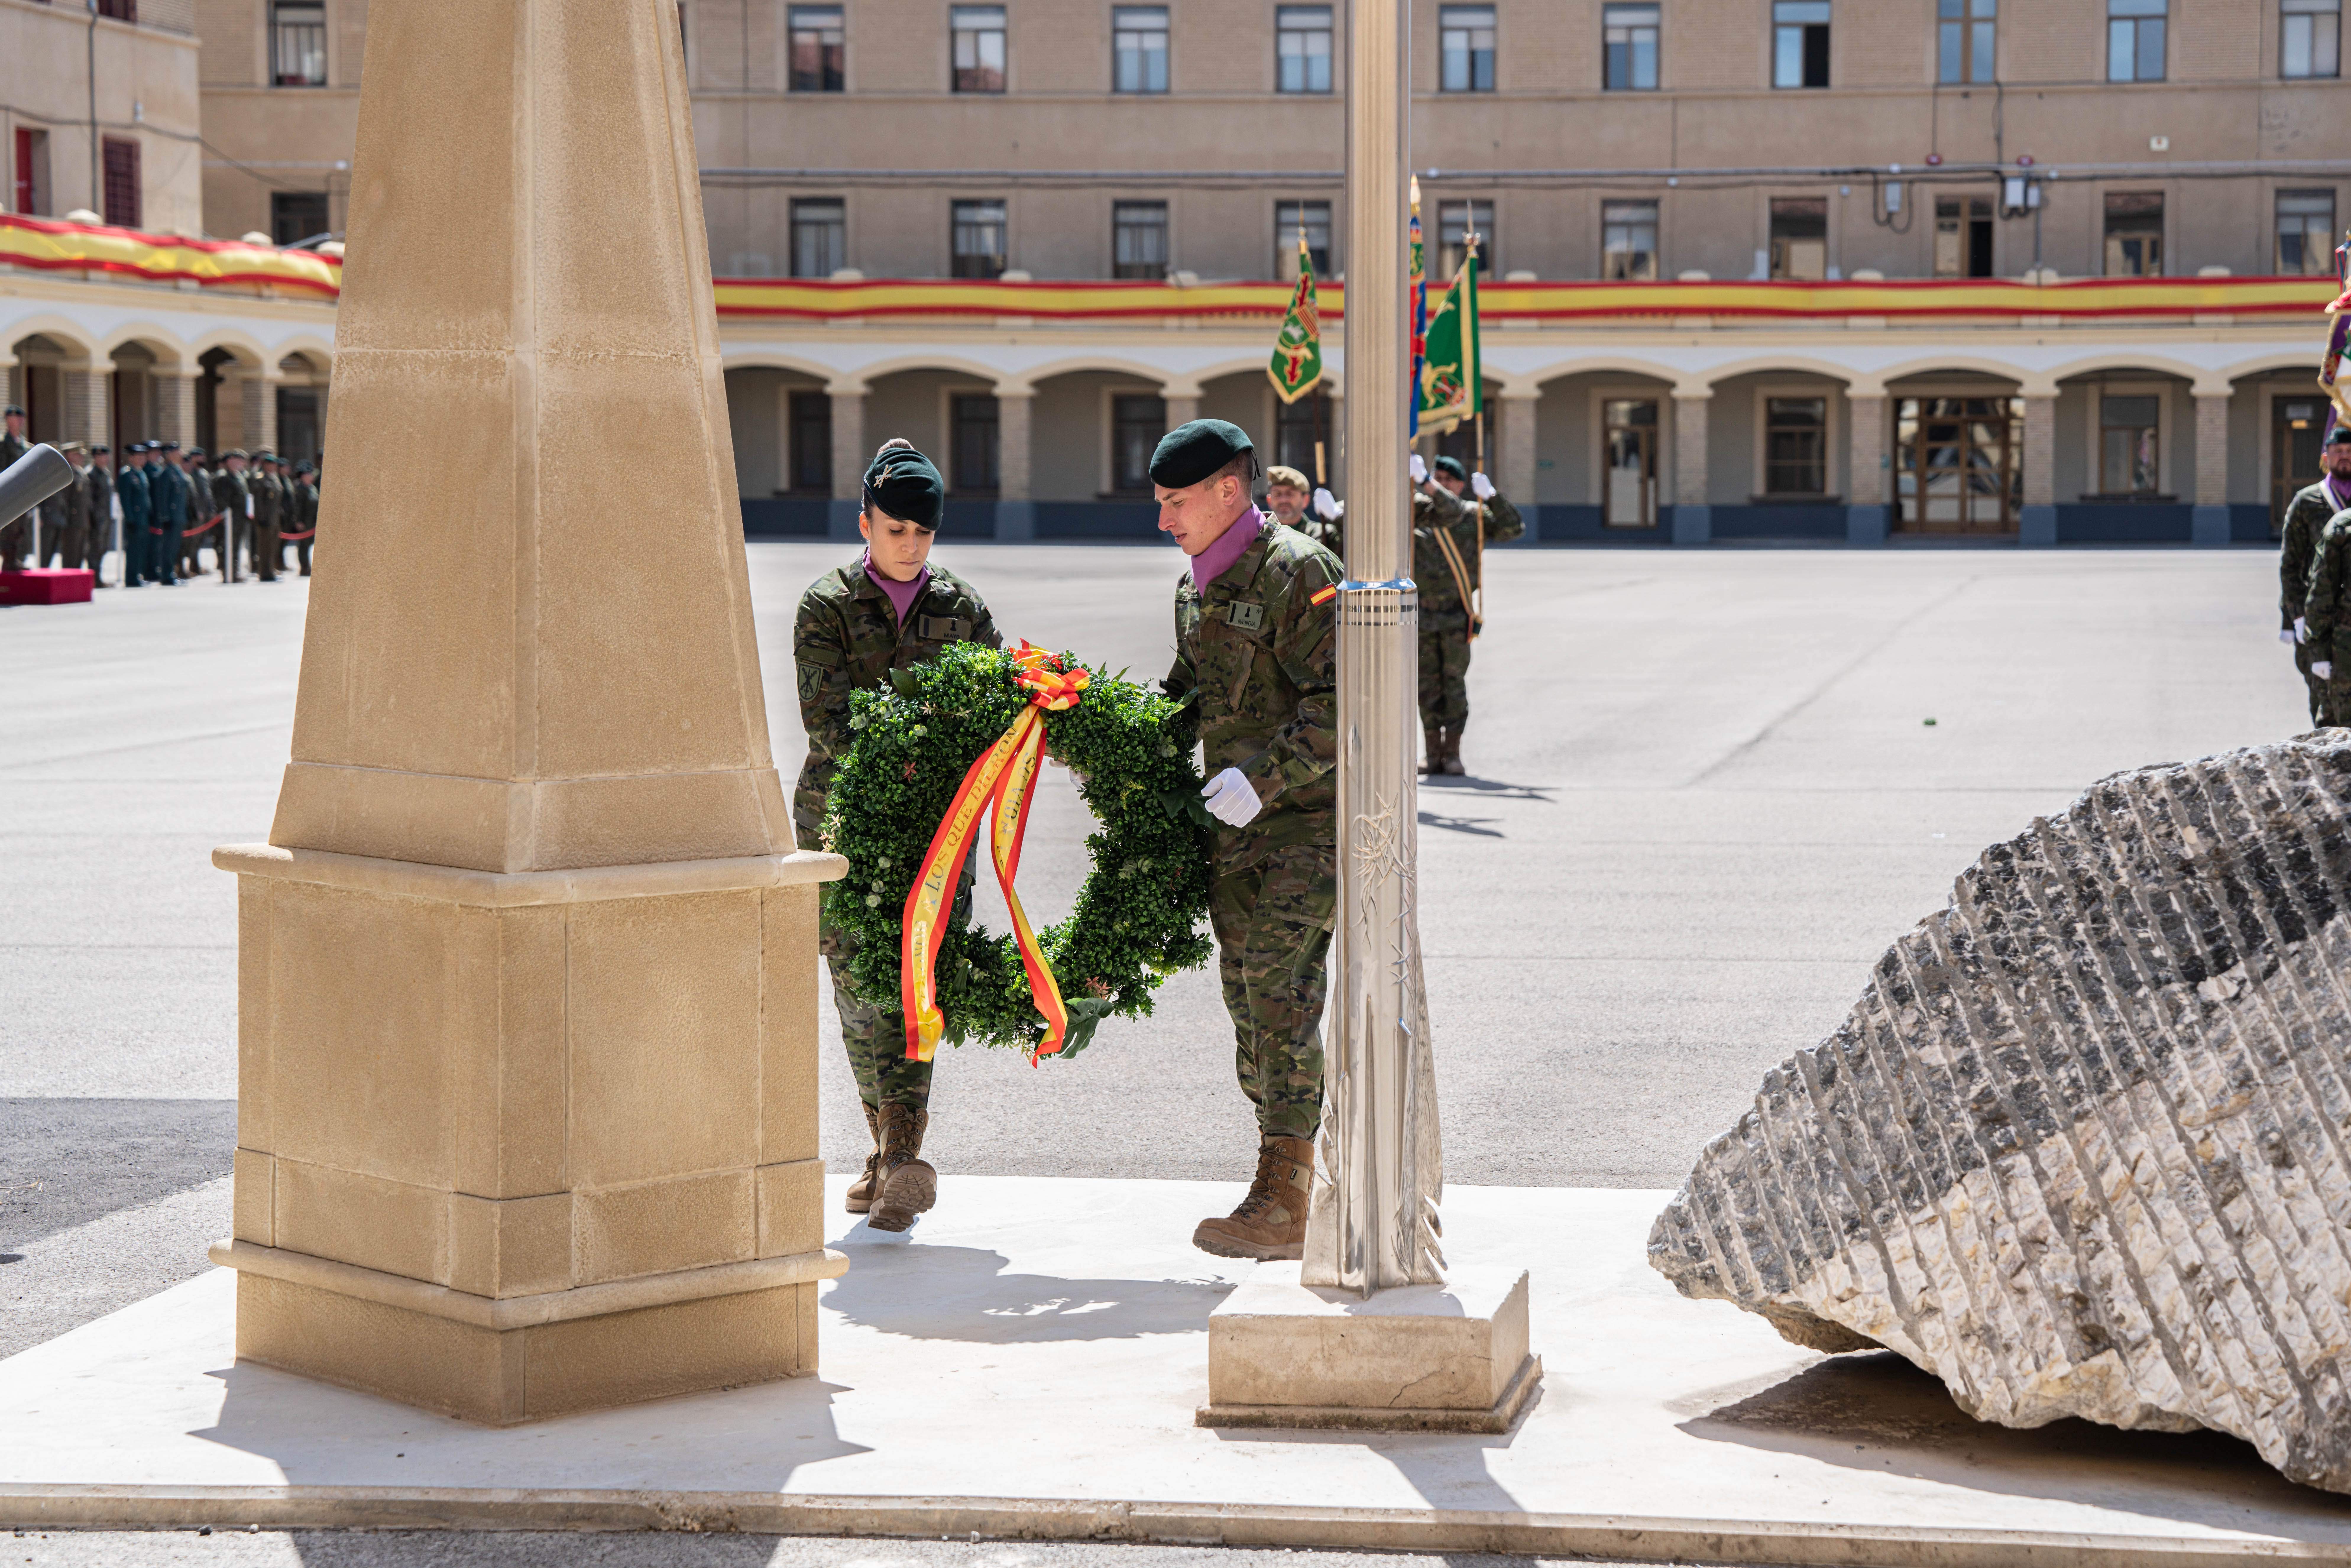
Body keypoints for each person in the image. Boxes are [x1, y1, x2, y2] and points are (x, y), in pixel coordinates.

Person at [793, 438, 1000, 1234]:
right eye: (894, 531)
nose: (909, 546)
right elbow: (831, 722)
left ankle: (906, 1157)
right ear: (865, 524)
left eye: (923, 533)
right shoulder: (826, 606)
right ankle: (883, 1151)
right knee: (855, 988)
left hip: (936, 831)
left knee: (916, 981)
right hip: (842, 822)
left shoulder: (966, 608)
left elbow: (988, 709)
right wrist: (920, 754)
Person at [1155, 418, 1343, 1262]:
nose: (1165, 520)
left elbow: (1346, 704)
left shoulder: (1301, 571)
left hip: (1304, 827)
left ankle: (1286, 1200)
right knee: (1247, 1004)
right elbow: (1187, 694)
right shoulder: (1196, 588)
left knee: (1280, 992)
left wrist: (1262, 779)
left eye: (1176, 503)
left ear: (1228, 491)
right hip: (1231, 838)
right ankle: (1291, 1173)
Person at [1411, 453, 1523, 777]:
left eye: (1448, 481)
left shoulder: (1471, 515)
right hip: (1422, 614)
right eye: (1437, 479)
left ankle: (1453, 752)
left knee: (1453, 684)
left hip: (1456, 614)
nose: (1441, 486)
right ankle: (1432, 753)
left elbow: (1513, 528)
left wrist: (1492, 497)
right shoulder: (1417, 513)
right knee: (1426, 686)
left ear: (1460, 485)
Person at [2280, 427, 2351, 726]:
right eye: (2338, 453)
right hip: (2318, 615)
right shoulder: (2308, 502)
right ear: (2326, 457)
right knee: (2324, 699)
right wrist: (2296, 618)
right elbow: (2290, 566)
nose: (2344, 458)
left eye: (2350, 453)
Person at [151, 441, 188, 586]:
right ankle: (166, 575)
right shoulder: (166, 473)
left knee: (174, 548)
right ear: (170, 454)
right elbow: (163, 497)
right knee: (168, 547)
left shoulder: (177, 471)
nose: (180, 454)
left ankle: (171, 572)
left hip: (178, 515)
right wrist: (165, 516)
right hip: (171, 517)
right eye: (177, 452)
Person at [213, 449, 251, 582]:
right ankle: (228, 573)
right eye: (236, 460)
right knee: (229, 546)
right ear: (229, 462)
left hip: (240, 518)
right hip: (231, 519)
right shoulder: (225, 478)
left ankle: (235, 571)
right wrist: (224, 516)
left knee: (236, 547)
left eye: (241, 460)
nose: (240, 463)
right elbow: (222, 500)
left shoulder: (239, 477)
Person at [117, 443, 152, 587]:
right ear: (131, 458)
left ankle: (137, 575)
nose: (142, 459)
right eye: (139, 456)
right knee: (133, 550)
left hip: (143, 518)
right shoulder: (127, 474)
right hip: (135, 519)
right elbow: (126, 499)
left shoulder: (141, 474)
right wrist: (130, 519)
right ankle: (131, 578)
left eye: (143, 456)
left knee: (140, 549)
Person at [0, 405, 29, 569]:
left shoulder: (25, 445)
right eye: (13, 418)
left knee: (20, 528)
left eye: (20, 418)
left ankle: (15, 559)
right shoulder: (3, 443)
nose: (17, 422)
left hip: (23, 492)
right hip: (8, 491)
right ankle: (8, 561)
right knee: (8, 529)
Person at [84, 443, 116, 583]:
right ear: (95, 458)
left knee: (103, 549)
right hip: (96, 519)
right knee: (94, 550)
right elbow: (89, 500)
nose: (105, 459)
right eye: (101, 456)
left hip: (106, 518)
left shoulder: (106, 473)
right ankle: (94, 578)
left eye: (106, 456)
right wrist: (93, 518)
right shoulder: (92, 474)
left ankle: (98, 576)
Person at [250, 450, 282, 581]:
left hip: (275, 519)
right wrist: (262, 518)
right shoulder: (261, 479)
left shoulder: (274, 478)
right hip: (266, 519)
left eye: (274, 464)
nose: (273, 466)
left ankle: (271, 570)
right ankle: (265, 573)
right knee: (265, 547)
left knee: (273, 547)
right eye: (270, 464)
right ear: (265, 465)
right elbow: (259, 502)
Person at [288, 458, 318, 575]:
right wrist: (298, 521)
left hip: (312, 521)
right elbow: (296, 507)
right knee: (304, 546)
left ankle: (308, 566)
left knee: (309, 544)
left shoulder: (312, 488)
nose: (311, 476)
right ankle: (305, 567)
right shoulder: (299, 489)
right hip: (304, 521)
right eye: (309, 474)